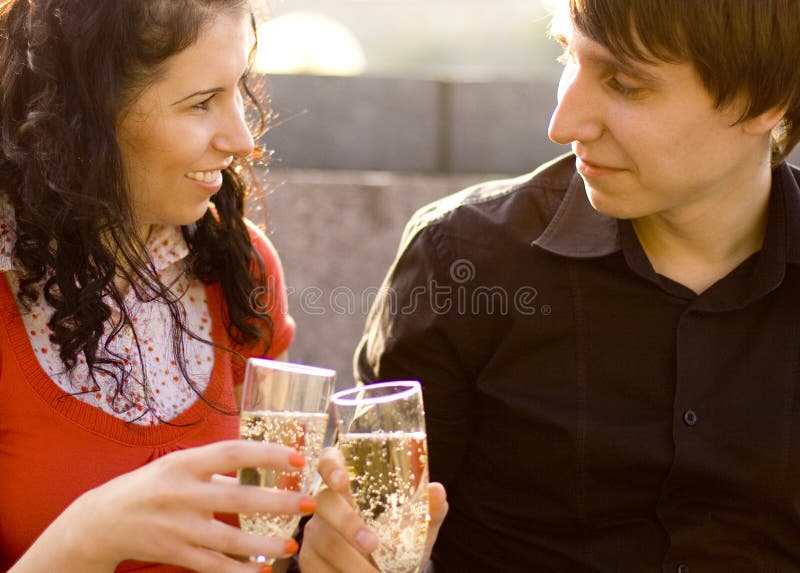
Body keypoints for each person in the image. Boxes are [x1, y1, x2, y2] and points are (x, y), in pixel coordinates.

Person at [302, 0, 800, 571]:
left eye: (624, 83)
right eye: (567, 56)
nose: (562, 124)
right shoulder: (464, 260)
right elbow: (371, 531)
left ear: (764, 99)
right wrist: (337, 551)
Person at [0, 1, 315, 571]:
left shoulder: (241, 269)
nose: (243, 140)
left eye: (239, 87)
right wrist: (88, 537)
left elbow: (271, 542)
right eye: (201, 103)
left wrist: (324, 557)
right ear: (84, 114)